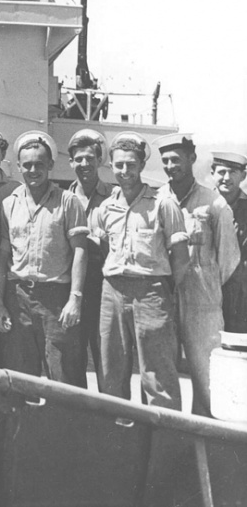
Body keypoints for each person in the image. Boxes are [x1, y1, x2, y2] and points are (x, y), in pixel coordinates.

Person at [90, 132, 189, 410]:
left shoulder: (163, 203)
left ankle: (165, 449)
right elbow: (100, 247)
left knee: (157, 375)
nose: (125, 171)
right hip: (113, 292)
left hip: (151, 293)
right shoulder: (104, 207)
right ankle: (119, 444)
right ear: (111, 166)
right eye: (119, 165)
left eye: (131, 165)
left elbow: (180, 257)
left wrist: (166, 290)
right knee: (112, 371)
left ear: (141, 166)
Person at [0, 131, 88, 387]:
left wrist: (75, 300)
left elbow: (80, 250)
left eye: (39, 164)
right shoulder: (9, 204)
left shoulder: (68, 202)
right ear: (19, 167)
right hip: (19, 297)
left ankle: (65, 427)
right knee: (21, 374)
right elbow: (3, 255)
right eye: (27, 165)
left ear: (50, 165)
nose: (33, 170)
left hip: (56, 299)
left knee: (63, 374)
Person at [154, 133, 238, 416]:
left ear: (191, 159)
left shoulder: (213, 203)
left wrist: (206, 286)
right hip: (163, 299)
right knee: (162, 378)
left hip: (202, 305)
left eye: (176, 159)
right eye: (165, 160)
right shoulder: (157, 199)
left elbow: (229, 259)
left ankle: (207, 451)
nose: (170, 166)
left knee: (207, 381)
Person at [67, 128, 112, 389]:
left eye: (90, 158)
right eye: (78, 159)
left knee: (105, 358)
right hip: (71, 288)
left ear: (99, 160)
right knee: (73, 359)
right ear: (71, 162)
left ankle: (109, 422)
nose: (84, 164)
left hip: (103, 287)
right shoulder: (61, 197)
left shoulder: (114, 196)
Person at [211, 151, 247, 332]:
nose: (226, 178)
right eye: (221, 172)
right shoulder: (202, 205)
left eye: (233, 172)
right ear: (212, 174)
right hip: (207, 293)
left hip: (242, 295)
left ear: (243, 175)